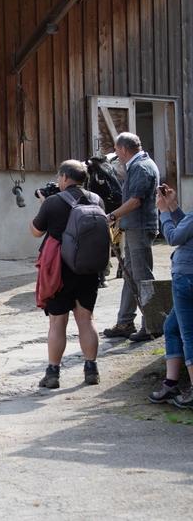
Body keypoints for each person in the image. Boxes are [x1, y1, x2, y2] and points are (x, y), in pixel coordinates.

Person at [30, 160, 102, 389]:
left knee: (57, 323)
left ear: (64, 177)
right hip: (88, 269)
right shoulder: (96, 200)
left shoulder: (53, 202)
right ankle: (91, 369)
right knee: (86, 320)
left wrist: (44, 204)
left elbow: (35, 231)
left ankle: (53, 373)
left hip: (59, 271)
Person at [103, 132, 159, 342]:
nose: (116, 154)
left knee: (143, 276)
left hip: (140, 228)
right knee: (130, 274)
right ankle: (125, 321)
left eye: (117, 150)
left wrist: (112, 216)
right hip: (135, 227)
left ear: (124, 149)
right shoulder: (139, 165)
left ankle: (152, 324)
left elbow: (135, 201)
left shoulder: (141, 167)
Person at [148, 184, 193, 409]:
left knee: (188, 333)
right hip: (186, 276)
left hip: (187, 278)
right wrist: (173, 206)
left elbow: (175, 237)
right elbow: (188, 229)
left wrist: (164, 213)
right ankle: (171, 383)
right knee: (171, 327)